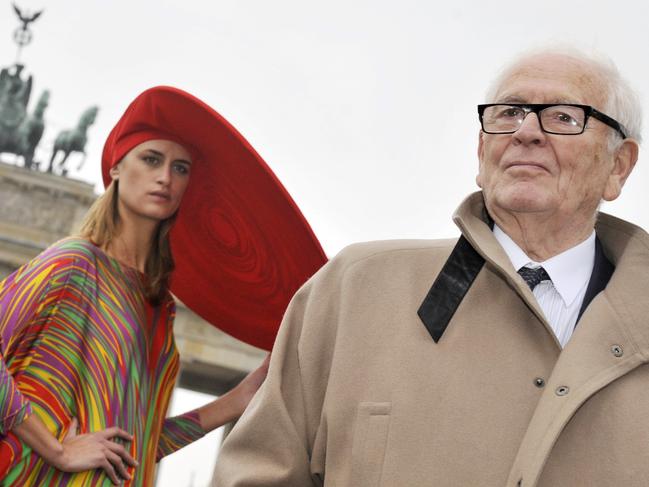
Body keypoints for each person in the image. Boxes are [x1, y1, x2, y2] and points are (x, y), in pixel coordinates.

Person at [213, 47, 648, 487]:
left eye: (563, 117)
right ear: (482, 150)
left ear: (619, 166)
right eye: (510, 113)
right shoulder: (354, 290)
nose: (526, 132)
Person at [0, 86, 325, 485]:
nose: (165, 177)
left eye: (181, 168)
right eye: (151, 159)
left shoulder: (154, 305)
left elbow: (133, 448)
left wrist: (235, 401)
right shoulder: (75, 263)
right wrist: (58, 449)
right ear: (117, 167)